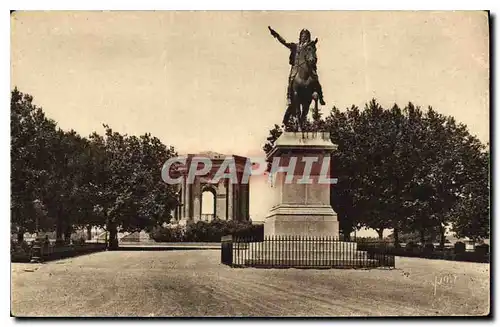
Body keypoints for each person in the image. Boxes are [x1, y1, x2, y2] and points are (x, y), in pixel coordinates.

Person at [268, 26, 326, 106]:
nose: (304, 37)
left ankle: (321, 97)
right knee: (291, 77)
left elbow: (313, 52)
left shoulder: (309, 45)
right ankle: (288, 97)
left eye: (306, 36)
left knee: (315, 76)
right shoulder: (295, 46)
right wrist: (276, 35)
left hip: (307, 66)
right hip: (296, 66)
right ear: (300, 36)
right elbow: (284, 42)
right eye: (303, 35)